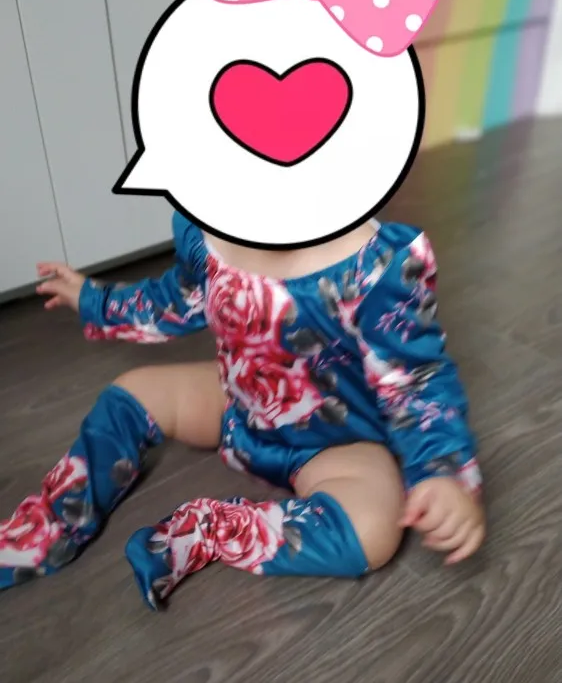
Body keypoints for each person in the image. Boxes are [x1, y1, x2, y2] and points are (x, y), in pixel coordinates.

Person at [0, 212, 484, 609]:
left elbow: (417, 380)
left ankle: (209, 528)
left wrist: (441, 472)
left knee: (373, 530)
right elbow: (173, 301)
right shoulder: (208, 234)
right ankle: (51, 524)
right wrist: (94, 299)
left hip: (338, 443)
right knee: (131, 391)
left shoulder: (376, 267)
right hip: (238, 402)